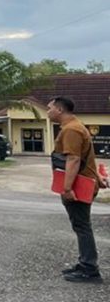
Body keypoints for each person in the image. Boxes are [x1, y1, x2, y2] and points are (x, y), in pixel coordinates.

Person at [48, 96, 106, 283]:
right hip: (83, 182)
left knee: (82, 227)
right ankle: (84, 263)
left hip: (77, 186)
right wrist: (98, 177)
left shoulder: (72, 130)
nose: (48, 112)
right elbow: (87, 157)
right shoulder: (74, 126)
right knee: (81, 225)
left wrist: (66, 188)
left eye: (50, 108)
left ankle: (89, 269)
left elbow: (73, 160)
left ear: (59, 110)